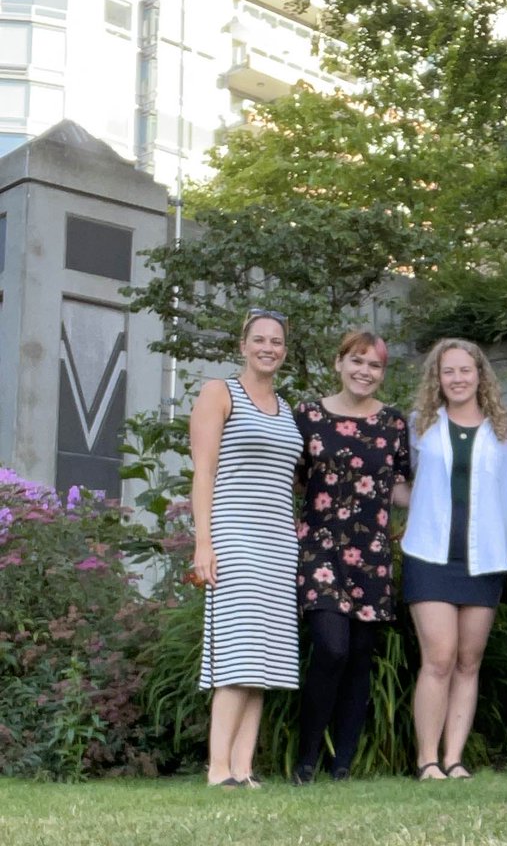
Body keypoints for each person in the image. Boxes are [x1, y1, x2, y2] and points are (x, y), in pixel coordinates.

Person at [400, 338, 507, 780]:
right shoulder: (420, 426)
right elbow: (398, 482)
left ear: (480, 375)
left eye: (464, 370)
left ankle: (454, 759)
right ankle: (427, 760)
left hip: (486, 560)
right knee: (439, 656)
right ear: (437, 378)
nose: (457, 379)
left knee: (468, 661)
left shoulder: (504, 432)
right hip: (429, 555)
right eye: (447, 371)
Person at [291, 330, 411, 783]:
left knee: (359, 656)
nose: (365, 371)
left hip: (372, 551)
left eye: (375, 365)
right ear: (339, 363)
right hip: (320, 547)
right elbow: (295, 480)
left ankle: (342, 765)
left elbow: (400, 490)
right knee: (331, 648)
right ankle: (305, 761)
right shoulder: (308, 415)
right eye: (357, 361)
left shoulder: (393, 423)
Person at [191, 309, 303, 788]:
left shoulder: (286, 405)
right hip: (233, 538)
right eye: (259, 339)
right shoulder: (220, 392)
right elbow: (204, 473)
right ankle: (218, 770)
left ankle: (243, 769)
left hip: (279, 543)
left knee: (264, 658)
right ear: (243, 345)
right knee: (237, 653)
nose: (268, 348)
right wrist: (203, 543)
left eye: (276, 341)